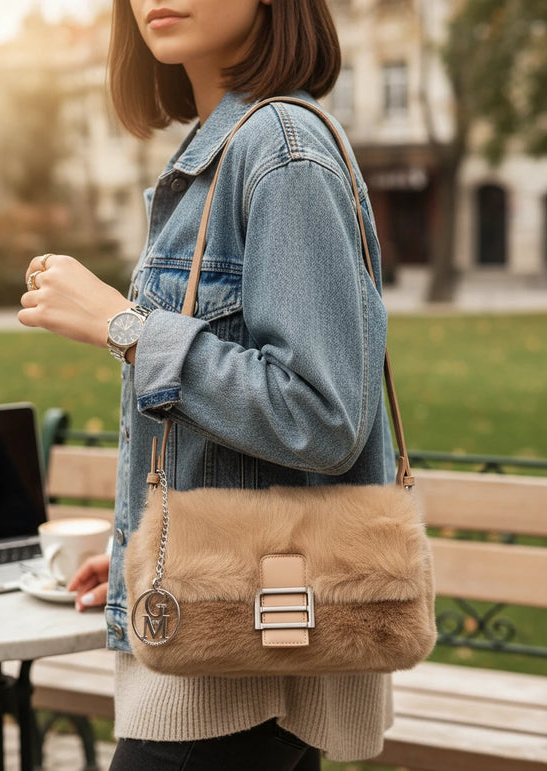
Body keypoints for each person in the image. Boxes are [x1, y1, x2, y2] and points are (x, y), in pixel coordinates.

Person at [20, 1, 396, 768]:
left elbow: (321, 415)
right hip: (233, 627)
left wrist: (126, 327)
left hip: (237, 665)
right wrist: (152, 545)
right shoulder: (227, 147)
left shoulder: (281, 149)